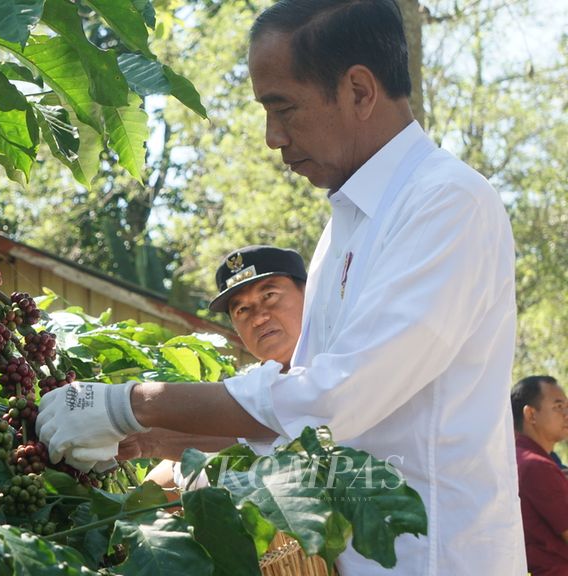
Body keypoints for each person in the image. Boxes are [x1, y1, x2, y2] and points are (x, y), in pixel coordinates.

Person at [36, 1, 525, 574]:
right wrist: (159, 439)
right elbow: (298, 422)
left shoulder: (447, 203)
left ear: (360, 91)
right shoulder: (347, 226)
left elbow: (332, 401)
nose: (272, 138)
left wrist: (131, 404)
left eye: (283, 108)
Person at [130, 245, 307, 489]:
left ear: (309, 294)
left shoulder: (340, 370)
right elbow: (154, 489)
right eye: (242, 309)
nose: (258, 318)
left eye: (269, 296)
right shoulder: (239, 394)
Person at [512, 375, 568, 575]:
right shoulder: (536, 466)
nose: (566, 414)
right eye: (558, 407)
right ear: (530, 414)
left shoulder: (514, 458)